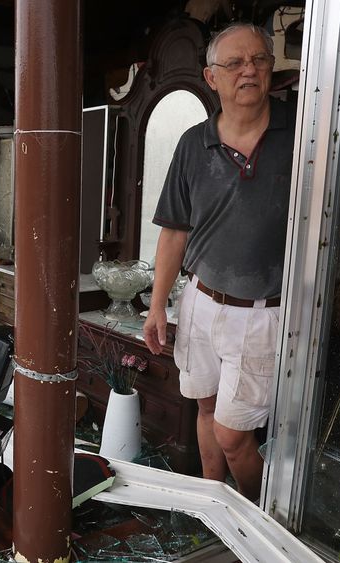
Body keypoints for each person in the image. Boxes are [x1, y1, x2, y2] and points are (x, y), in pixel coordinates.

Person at [142, 22, 295, 500]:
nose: (249, 70)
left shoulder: (302, 133)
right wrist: (156, 306)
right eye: (235, 63)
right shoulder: (193, 144)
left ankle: (256, 518)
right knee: (205, 410)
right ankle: (213, 506)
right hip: (202, 303)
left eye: (259, 60)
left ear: (270, 68)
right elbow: (174, 232)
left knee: (234, 434)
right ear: (211, 78)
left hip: (263, 312)